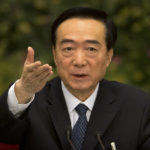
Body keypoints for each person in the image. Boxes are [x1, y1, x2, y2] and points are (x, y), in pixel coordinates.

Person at [0, 7, 150, 150]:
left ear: (108, 56)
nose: (79, 61)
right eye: (68, 49)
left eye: (91, 49)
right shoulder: (28, 103)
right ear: (54, 54)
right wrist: (23, 91)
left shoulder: (139, 106)